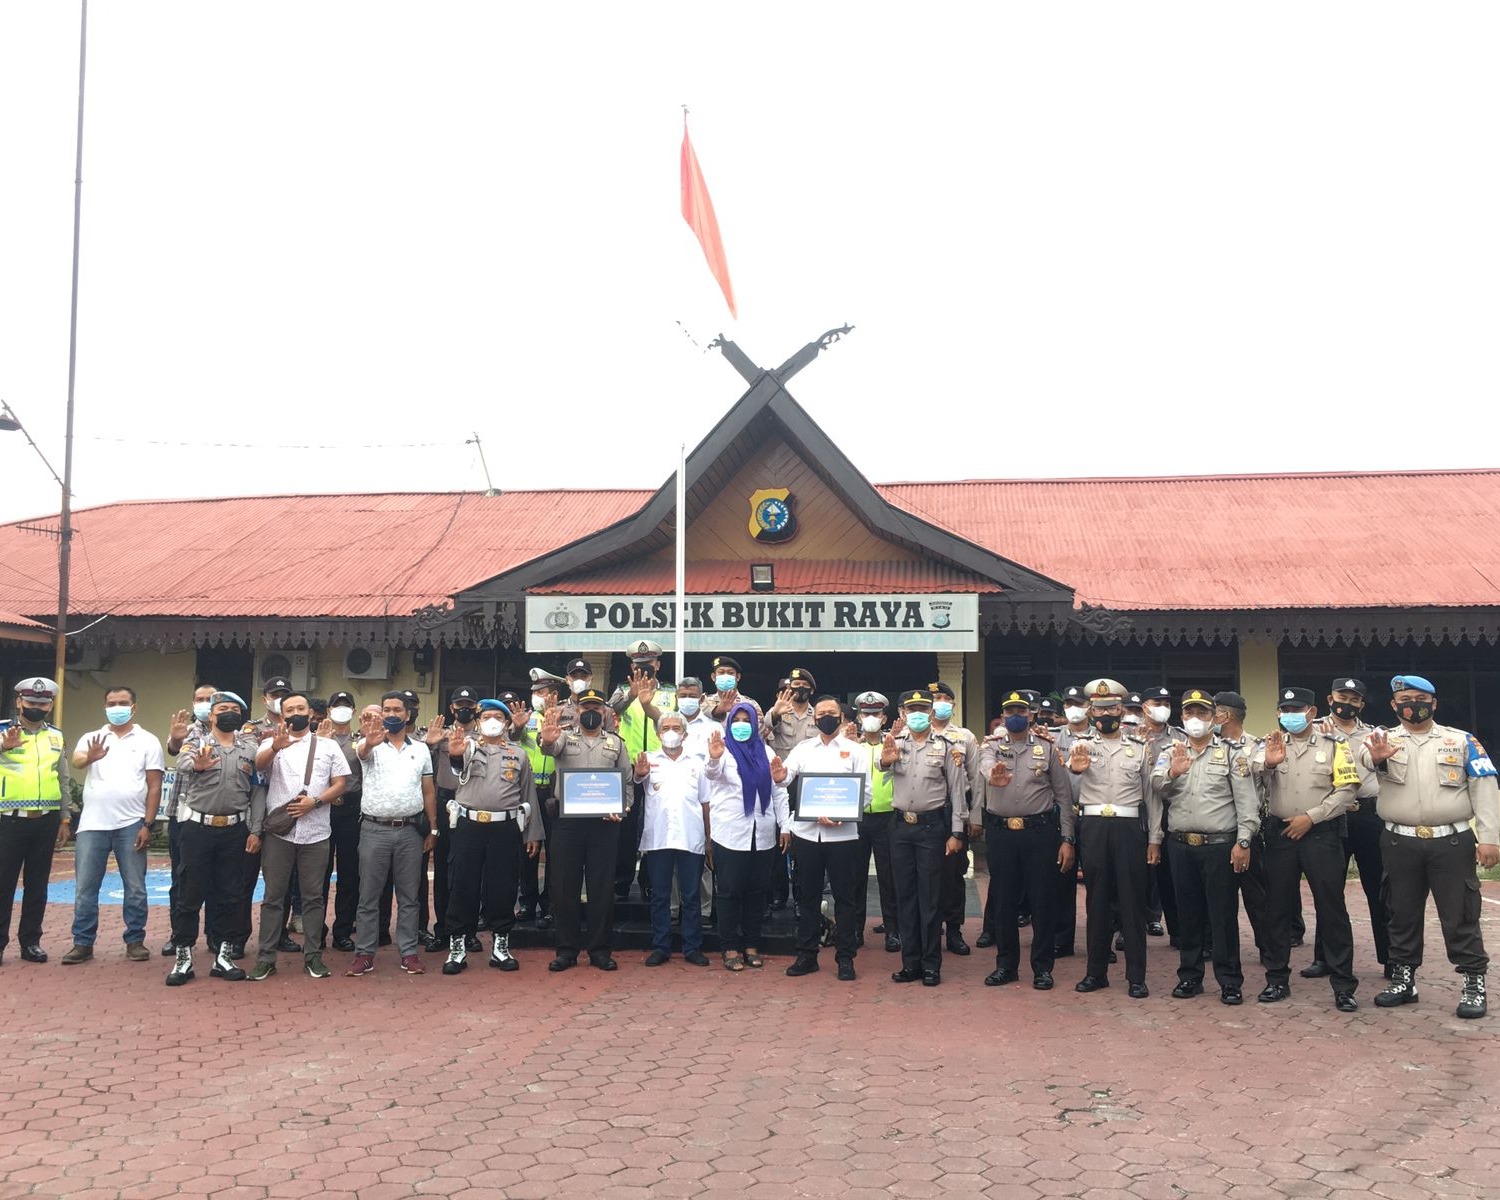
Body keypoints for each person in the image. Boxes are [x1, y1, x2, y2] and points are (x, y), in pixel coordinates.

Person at [1367, 674, 1499, 1018]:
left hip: (1451, 841)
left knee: (1460, 915)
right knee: (1400, 912)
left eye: (1421, 698)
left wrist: (1489, 838)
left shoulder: (1462, 741)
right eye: (1405, 698)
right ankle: (1404, 980)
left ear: (1434, 704)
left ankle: (1473, 983)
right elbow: (1361, 770)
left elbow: (1484, 788)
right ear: (1394, 706)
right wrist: (1378, 759)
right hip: (1399, 841)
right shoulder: (1380, 740)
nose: (1413, 704)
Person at [1251, 687, 1361, 1011]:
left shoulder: (1335, 744)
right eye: (1284, 709)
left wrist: (1310, 818)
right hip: (1279, 834)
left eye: (1296, 708)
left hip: (1320, 835)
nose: (1290, 714)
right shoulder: (1269, 745)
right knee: (1277, 909)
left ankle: (1343, 985)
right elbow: (1251, 779)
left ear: (1312, 712)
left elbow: (1348, 789)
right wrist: (1268, 765)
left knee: (1332, 909)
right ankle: (1276, 979)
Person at [1152, 689, 1259, 1005]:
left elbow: (1247, 804)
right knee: (1188, 914)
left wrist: (1243, 842)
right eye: (1190, 713)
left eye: (1202, 713)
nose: (1195, 719)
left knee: (1222, 915)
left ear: (1215, 718)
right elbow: (1157, 785)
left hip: (1219, 846)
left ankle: (1229, 980)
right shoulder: (1171, 750)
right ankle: (1189, 976)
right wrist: (1174, 771)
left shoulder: (1231, 753)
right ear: (1182, 718)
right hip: (1182, 845)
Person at [975, 690, 1076, 989]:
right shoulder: (991, 748)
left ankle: (1043, 968)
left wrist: (1067, 838)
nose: (1015, 716)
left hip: (1039, 833)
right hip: (1002, 833)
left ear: (1030, 715)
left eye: (1021, 711)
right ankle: (1006, 965)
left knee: (1041, 900)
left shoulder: (1047, 748)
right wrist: (993, 776)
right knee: (1004, 901)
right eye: (1010, 712)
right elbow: (984, 769)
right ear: (1003, 716)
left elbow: (1063, 796)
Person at [247, 691, 349, 980]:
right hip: (280, 834)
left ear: (311, 712)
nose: (296, 713)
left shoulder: (328, 746)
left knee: (314, 897)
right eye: (289, 709)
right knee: (273, 897)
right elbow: (259, 766)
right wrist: (275, 748)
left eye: (300, 707)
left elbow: (341, 782)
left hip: (317, 832)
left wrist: (315, 802)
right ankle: (266, 957)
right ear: (282, 715)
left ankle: (313, 956)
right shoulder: (271, 742)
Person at [60, 686, 164, 966]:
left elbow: (154, 785)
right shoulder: (92, 737)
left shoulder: (148, 740)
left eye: (122, 703)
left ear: (134, 707)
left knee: (135, 886)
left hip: (132, 824)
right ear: (104, 706)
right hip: (93, 825)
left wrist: (148, 824)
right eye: (111, 703)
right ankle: (82, 943)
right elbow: (78, 760)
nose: (116, 707)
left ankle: (135, 941)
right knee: (85, 888)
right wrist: (90, 757)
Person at [1067, 680, 1158, 998]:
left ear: (1121, 709)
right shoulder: (1080, 747)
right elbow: (1068, 793)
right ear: (1091, 712)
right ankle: (1096, 972)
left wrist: (1155, 839)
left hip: (1129, 829)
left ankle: (1136, 976)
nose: (1106, 713)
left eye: (1111, 708)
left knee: (1133, 903)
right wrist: (1076, 773)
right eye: (1100, 709)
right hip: (1093, 827)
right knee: (1097, 901)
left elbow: (1151, 797)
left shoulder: (1139, 747)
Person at [772, 695, 870, 980]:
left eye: (832, 712)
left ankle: (846, 958)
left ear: (841, 717)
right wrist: (779, 776)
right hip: (806, 834)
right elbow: (786, 775)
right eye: (821, 713)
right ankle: (807, 954)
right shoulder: (803, 749)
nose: (826, 717)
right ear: (815, 718)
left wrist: (843, 815)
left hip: (843, 835)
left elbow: (865, 794)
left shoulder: (855, 751)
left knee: (845, 898)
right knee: (807, 896)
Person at [442, 699, 542, 974]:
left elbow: (527, 794)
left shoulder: (518, 754)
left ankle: (500, 945)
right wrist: (454, 756)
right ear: (477, 721)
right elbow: (451, 780)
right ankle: (458, 946)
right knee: (462, 884)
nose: (492, 721)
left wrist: (532, 833)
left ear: (507, 723)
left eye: (498, 716)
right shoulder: (465, 746)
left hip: (505, 827)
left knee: (503, 885)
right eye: (486, 716)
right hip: (469, 825)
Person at [168, 691, 259, 985]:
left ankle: (224, 955)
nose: (228, 712)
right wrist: (197, 764)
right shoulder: (197, 741)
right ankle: (183, 956)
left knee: (230, 895)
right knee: (189, 893)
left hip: (234, 829)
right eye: (222, 708)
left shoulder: (249, 747)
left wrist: (255, 829)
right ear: (211, 714)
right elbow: (181, 764)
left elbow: (257, 789)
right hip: (198, 829)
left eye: (234, 708)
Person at [539, 688, 632, 972]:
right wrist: (547, 738)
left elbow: (626, 782)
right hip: (568, 823)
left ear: (604, 712)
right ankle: (566, 950)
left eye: (596, 707)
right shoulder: (564, 737)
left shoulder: (616, 744)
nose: (590, 712)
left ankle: (600, 950)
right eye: (584, 707)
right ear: (577, 712)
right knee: (565, 886)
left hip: (605, 824)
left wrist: (623, 809)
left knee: (601, 887)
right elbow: (548, 748)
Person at [346, 692, 438, 977]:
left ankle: (409, 952)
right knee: (369, 896)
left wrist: (433, 827)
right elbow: (361, 754)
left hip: (410, 830)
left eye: (397, 710)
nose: (392, 714)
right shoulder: (368, 744)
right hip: (374, 829)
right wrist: (369, 743)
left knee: (410, 896)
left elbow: (428, 790)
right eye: (387, 709)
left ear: (408, 715)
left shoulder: (421, 749)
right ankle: (364, 953)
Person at [881, 690, 967, 987]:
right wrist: (884, 761)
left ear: (931, 712)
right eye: (911, 708)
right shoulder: (894, 743)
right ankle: (911, 962)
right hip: (901, 827)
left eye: (922, 708)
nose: (917, 713)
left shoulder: (947, 746)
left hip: (932, 828)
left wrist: (957, 832)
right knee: (904, 896)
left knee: (929, 898)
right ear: (903, 712)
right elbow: (883, 775)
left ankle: (931, 964)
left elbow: (957, 792)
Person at [1307, 676, 1389, 980]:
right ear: (1330, 700)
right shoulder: (1315, 730)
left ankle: (1391, 958)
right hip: (1330, 816)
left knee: (1379, 889)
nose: (1348, 703)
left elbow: (1387, 768)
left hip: (1369, 816)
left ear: (1362, 704)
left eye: (1355, 699)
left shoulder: (1376, 735)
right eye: (1343, 696)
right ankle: (1324, 958)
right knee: (1328, 890)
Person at [704, 702, 789, 971]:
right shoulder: (723, 750)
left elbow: (779, 790)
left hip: (762, 833)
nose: (742, 724)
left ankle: (751, 945)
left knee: (757, 892)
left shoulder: (765, 750)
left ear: (755, 723)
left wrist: (785, 826)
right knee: (729, 892)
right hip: (730, 833)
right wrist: (715, 758)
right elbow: (711, 776)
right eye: (736, 719)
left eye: (746, 720)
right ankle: (729, 948)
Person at [0, 677, 69, 966]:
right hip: (8, 821)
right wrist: (3, 749)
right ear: (19, 702)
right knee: (3, 885)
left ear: (50, 705)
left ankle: (31, 942)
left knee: (37, 885)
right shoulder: (3, 731)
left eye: (43, 703)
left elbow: (62, 778)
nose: (37, 707)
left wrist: (65, 817)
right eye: (31, 703)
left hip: (46, 820)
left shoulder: (56, 736)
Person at [636, 710, 711, 966]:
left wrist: (709, 839)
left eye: (676, 728)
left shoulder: (698, 763)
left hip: (691, 836)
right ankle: (661, 946)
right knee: (660, 895)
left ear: (685, 734)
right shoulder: (648, 760)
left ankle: (692, 947)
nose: (670, 732)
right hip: (659, 837)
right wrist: (639, 774)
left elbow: (705, 803)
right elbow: (637, 782)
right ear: (658, 733)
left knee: (691, 895)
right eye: (665, 727)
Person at [611, 640, 675, 904]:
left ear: (658, 665)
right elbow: (610, 710)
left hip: (661, 767)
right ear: (632, 666)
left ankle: (649, 882)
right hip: (630, 767)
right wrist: (631, 695)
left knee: (655, 824)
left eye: (649, 666)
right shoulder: (622, 690)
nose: (645, 670)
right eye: (639, 666)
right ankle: (622, 882)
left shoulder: (671, 693)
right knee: (626, 826)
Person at [421, 686, 481, 951]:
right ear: (452, 708)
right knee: (444, 870)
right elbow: (421, 768)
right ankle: (443, 930)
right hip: (446, 802)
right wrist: (429, 745)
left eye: (469, 704)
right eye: (459, 704)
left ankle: (469, 931)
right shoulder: (438, 735)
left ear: (476, 707)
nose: (464, 708)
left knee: (470, 869)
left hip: (473, 803)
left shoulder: (484, 736)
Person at [161, 684, 217, 956]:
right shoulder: (186, 729)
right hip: (182, 816)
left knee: (217, 880)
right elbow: (174, 748)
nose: (204, 703)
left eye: (210, 699)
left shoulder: (232, 731)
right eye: (200, 699)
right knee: (181, 878)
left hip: (216, 817)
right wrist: (174, 740)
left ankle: (216, 936)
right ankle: (179, 935)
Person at [928, 681, 980, 958]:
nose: (941, 702)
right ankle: (930, 927)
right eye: (936, 698)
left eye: (945, 698)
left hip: (954, 810)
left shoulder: (965, 737)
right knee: (926, 873)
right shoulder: (914, 734)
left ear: (953, 704)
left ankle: (955, 929)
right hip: (927, 812)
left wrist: (974, 816)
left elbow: (976, 779)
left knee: (953, 874)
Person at [854, 692, 900, 953]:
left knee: (889, 877)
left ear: (884, 717)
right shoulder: (851, 746)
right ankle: (855, 930)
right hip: (857, 819)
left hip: (887, 818)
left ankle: (892, 930)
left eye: (875, 714)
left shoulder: (894, 744)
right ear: (859, 717)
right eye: (865, 714)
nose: (870, 718)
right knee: (855, 877)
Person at [518, 671, 562, 927]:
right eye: (535, 693)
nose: (538, 697)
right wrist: (519, 726)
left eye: (542, 693)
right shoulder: (527, 720)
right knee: (528, 850)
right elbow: (515, 738)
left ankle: (550, 904)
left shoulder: (567, 718)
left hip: (556, 793)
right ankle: (527, 901)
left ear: (555, 695)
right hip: (530, 791)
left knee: (556, 851)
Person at [322, 691, 363, 952]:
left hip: (352, 808)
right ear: (328, 711)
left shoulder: (361, 741)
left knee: (350, 873)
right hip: (322, 808)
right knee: (319, 873)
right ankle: (316, 930)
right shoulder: (316, 739)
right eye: (337, 705)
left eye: (347, 705)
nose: (341, 710)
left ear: (354, 711)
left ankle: (343, 931)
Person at [764, 667, 819, 756]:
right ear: (789, 688)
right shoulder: (778, 711)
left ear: (811, 690)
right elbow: (762, 730)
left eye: (805, 685)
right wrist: (775, 714)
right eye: (797, 684)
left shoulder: (817, 715)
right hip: (783, 767)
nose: (801, 687)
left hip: (807, 768)